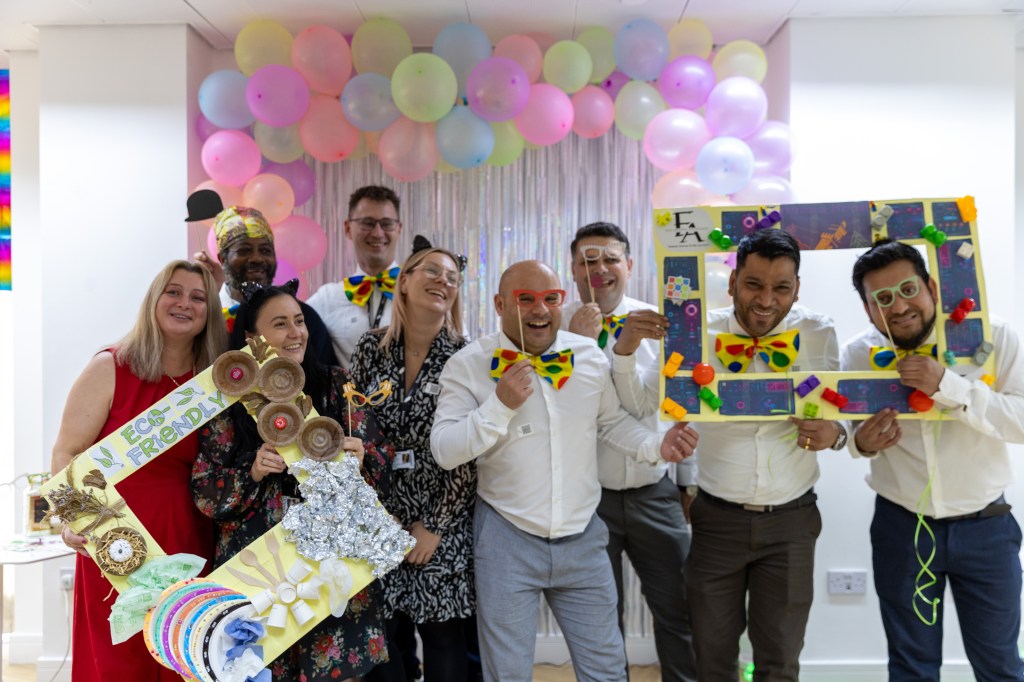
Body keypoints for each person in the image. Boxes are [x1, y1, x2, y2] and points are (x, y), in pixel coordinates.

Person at [430, 260, 697, 682]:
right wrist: (499, 405)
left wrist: (656, 446)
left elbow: (612, 423)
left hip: (583, 538)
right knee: (507, 674)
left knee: (607, 671)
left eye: (550, 299)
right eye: (526, 299)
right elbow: (444, 450)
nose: (540, 310)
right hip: (506, 537)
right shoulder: (468, 364)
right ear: (500, 304)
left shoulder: (587, 356)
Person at [615, 229, 843, 681]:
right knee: (712, 657)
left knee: (780, 660)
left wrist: (835, 433)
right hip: (717, 521)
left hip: (792, 521)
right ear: (734, 280)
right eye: (754, 284)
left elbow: (843, 413)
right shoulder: (695, 333)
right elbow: (640, 402)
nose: (766, 300)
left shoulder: (819, 332)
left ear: (797, 289)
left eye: (781, 288)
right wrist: (624, 351)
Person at [841, 238, 1024, 681]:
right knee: (911, 668)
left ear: (932, 289)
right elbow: (849, 436)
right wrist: (862, 442)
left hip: (987, 528)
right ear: (868, 310)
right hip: (902, 527)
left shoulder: (994, 335)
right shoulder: (857, 355)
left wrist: (949, 386)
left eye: (908, 290)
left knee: (1000, 666)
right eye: (883, 299)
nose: (899, 306)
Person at [191, 282, 390, 681]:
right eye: (280, 324)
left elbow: (381, 461)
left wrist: (361, 460)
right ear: (252, 337)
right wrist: (253, 471)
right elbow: (204, 488)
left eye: (299, 321)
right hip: (260, 568)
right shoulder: (229, 397)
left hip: (332, 564)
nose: (296, 332)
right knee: (260, 666)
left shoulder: (337, 385)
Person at [52, 260, 225, 681]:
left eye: (198, 297)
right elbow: (67, 452)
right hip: (116, 542)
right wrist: (72, 521)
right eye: (173, 292)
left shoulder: (214, 381)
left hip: (190, 540)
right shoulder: (110, 366)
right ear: (153, 300)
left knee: (183, 658)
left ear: (209, 312)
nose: (184, 303)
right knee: (120, 664)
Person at [562, 222, 696, 682]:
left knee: (679, 609)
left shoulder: (660, 322)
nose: (599, 268)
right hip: (588, 499)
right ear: (573, 270)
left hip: (654, 489)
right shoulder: (553, 327)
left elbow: (678, 405)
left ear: (630, 265)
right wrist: (579, 343)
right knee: (599, 620)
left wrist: (688, 480)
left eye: (610, 258)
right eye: (588, 260)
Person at [351, 239, 476, 682]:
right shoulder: (370, 348)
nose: (444, 281)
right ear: (404, 281)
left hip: (441, 516)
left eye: (452, 278)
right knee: (382, 638)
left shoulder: (467, 356)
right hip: (378, 516)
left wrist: (434, 526)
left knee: (442, 635)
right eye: (433, 271)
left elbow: (469, 450)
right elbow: (355, 429)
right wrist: (377, 518)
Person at [189, 193, 339, 367]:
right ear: (222, 259)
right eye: (244, 250)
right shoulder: (204, 316)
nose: (257, 258)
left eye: (265, 251)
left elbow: (324, 376)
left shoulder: (304, 317)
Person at [307, 185, 404, 368]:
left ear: (399, 229)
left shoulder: (423, 292)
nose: (377, 233)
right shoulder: (328, 298)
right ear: (348, 228)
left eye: (387, 224)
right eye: (367, 223)